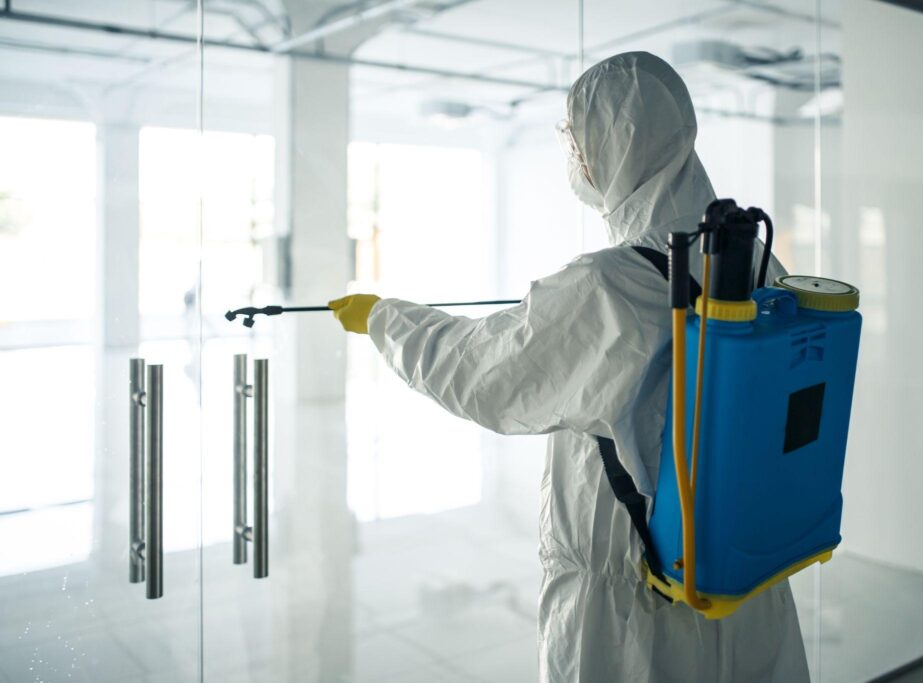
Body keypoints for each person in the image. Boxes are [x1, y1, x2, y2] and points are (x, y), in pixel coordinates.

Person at [330, 51, 809, 683]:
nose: (573, 156)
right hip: (741, 575)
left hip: (637, 606)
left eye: (575, 137)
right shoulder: (756, 263)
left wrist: (387, 320)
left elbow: (483, 374)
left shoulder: (607, 286)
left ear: (614, 147)